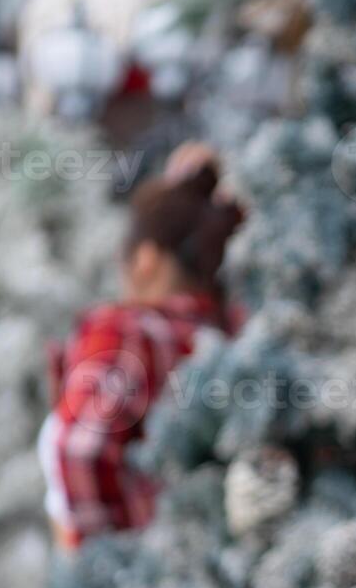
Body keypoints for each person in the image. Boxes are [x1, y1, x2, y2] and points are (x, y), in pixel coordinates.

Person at [39, 141, 247, 550]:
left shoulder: (126, 333)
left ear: (146, 259)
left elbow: (82, 448)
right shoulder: (236, 337)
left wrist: (104, 566)